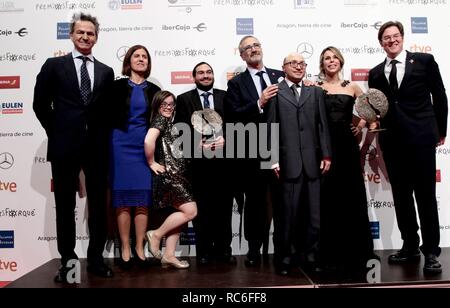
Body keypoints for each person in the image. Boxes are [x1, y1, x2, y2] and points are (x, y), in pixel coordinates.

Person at [33, 12, 114, 282]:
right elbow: (40, 105)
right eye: (80, 32)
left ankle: (95, 260)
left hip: (97, 149)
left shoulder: (106, 71)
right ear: (71, 35)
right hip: (64, 147)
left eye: (90, 33)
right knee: (65, 206)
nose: (85, 37)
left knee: (99, 208)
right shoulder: (54, 65)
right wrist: (56, 133)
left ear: (96, 37)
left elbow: (106, 112)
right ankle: (68, 263)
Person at [368, 21, 447, 274]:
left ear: (402, 38)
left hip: (422, 139)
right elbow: (377, 108)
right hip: (392, 142)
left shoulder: (424, 61)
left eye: (395, 36)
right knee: (401, 198)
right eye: (386, 38)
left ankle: (432, 251)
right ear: (381, 43)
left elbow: (440, 95)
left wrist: (440, 131)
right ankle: (410, 245)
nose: (391, 40)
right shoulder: (376, 73)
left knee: (425, 197)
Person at [266, 52, 331, 275]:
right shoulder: (275, 92)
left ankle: (311, 256)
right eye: (293, 63)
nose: (299, 66)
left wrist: (327, 155)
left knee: (314, 216)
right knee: (288, 216)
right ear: (283, 67)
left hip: (313, 162)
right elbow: (270, 128)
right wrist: (272, 159)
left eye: (302, 63)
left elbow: (322, 125)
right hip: (287, 162)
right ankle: (285, 257)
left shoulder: (315, 92)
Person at [226, 35, 284, 266]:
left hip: (282, 147)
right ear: (242, 55)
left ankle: (283, 246)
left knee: (283, 199)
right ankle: (253, 247)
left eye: (256, 45)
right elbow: (232, 116)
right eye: (247, 48)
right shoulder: (236, 83)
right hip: (253, 149)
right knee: (256, 202)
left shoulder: (280, 76)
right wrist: (258, 103)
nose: (253, 50)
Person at [317, 46, 376, 271]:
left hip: (346, 146)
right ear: (322, 64)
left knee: (351, 196)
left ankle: (356, 252)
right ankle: (328, 253)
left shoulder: (352, 86)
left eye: (334, 58)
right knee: (327, 198)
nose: (331, 61)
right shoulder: (315, 86)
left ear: (341, 62)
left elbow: (371, 110)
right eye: (326, 58)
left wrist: (360, 123)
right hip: (323, 146)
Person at [174, 62, 235, 265]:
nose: (205, 75)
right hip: (198, 165)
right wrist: (195, 143)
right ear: (194, 77)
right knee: (202, 211)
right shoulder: (183, 100)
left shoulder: (225, 96)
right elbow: (179, 128)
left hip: (224, 164)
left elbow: (235, 123)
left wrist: (226, 138)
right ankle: (204, 251)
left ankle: (224, 250)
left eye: (209, 72)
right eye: (201, 72)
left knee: (224, 210)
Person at [109, 45, 161, 269]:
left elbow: (161, 122)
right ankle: (125, 249)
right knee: (122, 201)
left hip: (145, 148)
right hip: (119, 146)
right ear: (128, 61)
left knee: (142, 200)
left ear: (148, 63)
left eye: (145, 57)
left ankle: (140, 248)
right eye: (136, 56)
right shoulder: (116, 87)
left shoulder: (156, 90)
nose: (141, 60)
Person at [144, 91, 198, 269]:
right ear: (157, 106)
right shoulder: (159, 120)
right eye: (164, 104)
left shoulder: (169, 123)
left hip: (179, 175)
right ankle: (156, 235)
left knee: (180, 217)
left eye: (171, 104)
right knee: (190, 212)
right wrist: (151, 162)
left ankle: (169, 255)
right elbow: (148, 140)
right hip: (171, 177)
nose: (168, 107)